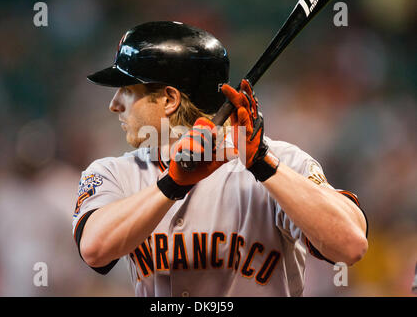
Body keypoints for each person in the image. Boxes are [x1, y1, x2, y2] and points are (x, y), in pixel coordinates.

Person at [72, 21, 368, 297]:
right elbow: (95, 249)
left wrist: (264, 166)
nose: (114, 105)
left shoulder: (277, 161)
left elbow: (350, 245)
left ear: (169, 99)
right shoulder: (114, 172)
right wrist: (170, 185)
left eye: (126, 89)